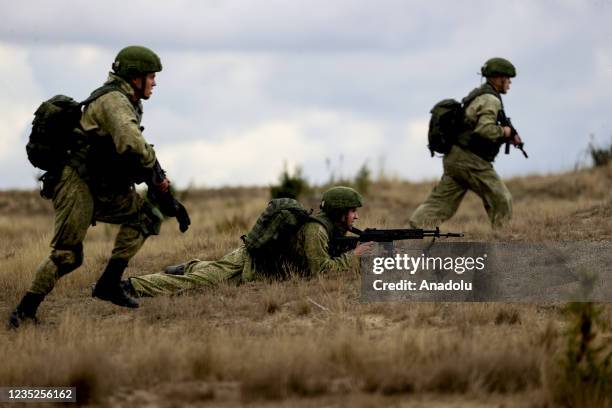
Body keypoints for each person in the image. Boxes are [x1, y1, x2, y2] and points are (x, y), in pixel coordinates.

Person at [9, 45, 172, 328]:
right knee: (68, 256)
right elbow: (131, 142)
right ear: (135, 78)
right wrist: (156, 174)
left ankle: (108, 283)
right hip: (75, 182)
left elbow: (127, 150)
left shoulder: (129, 100)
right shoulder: (115, 102)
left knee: (146, 215)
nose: (155, 82)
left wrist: (156, 178)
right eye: (151, 76)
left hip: (100, 185)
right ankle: (23, 313)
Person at [126, 187, 373, 297]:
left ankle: (190, 265)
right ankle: (130, 286)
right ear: (339, 211)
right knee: (193, 285)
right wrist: (353, 257)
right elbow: (321, 271)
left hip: (252, 267)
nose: (356, 216)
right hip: (245, 264)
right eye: (352, 211)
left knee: (207, 273)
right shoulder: (316, 232)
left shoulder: (328, 228)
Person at [409, 57, 523, 229]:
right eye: (508, 79)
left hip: (455, 158)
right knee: (501, 199)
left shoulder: (479, 95)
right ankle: (503, 240)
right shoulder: (490, 99)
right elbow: (484, 129)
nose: (510, 83)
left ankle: (413, 232)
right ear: (499, 78)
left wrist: (508, 134)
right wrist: (504, 132)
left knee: (440, 204)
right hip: (471, 160)